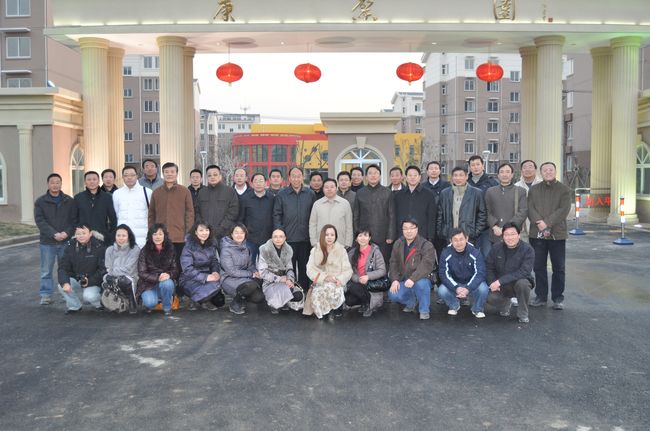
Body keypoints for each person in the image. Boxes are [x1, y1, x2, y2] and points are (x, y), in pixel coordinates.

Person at [527, 162, 572, 310]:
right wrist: (539, 222)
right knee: (538, 266)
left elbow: (563, 210)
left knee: (558, 267)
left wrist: (547, 222)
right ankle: (541, 296)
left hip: (557, 234)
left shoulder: (564, 190)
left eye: (550, 169)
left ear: (555, 171)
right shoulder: (534, 189)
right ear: (540, 173)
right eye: (545, 170)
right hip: (537, 233)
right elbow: (530, 208)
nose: (548, 172)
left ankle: (558, 298)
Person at [34, 173, 77, 305]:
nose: (55, 185)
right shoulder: (40, 201)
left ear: (61, 184)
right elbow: (40, 221)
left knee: (66, 269)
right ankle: (46, 295)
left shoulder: (69, 201)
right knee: (46, 270)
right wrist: (54, 234)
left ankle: (66, 293)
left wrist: (66, 233)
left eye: (58, 182)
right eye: (52, 182)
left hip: (65, 241)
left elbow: (74, 220)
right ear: (48, 184)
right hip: (47, 242)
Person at [273, 167, 316, 290]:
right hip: (288, 239)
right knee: (288, 269)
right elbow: (277, 215)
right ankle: (290, 293)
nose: (296, 179)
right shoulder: (282, 194)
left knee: (304, 268)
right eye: (293, 176)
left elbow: (314, 215)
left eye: (298, 176)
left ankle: (303, 292)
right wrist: (280, 235)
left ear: (302, 177)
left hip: (305, 239)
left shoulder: (310, 194)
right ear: (289, 178)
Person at [148, 162, 194, 270]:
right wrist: (152, 232)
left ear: (177, 174)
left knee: (179, 265)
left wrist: (188, 232)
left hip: (180, 237)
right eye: (166, 172)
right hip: (160, 237)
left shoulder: (185, 191)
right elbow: (151, 214)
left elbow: (189, 213)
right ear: (162, 174)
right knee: (162, 265)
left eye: (172, 172)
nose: (169, 174)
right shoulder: (156, 192)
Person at [485, 223, 535, 323]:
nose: (510, 237)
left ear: (519, 235)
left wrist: (499, 281)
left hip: (518, 282)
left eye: (513, 234)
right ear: (503, 236)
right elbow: (489, 267)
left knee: (523, 284)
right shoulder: (496, 248)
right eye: (506, 235)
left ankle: (523, 313)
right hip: (502, 285)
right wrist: (492, 282)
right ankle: (505, 302)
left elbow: (524, 271)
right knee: (488, 296)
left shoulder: (527, 249)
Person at [387, 219, 436, 320]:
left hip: (421, 278)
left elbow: (426, 265)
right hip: (404, 279)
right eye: (405, 228)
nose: (408, 231)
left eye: (411, 228)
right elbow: (393, 262)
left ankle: (424, 310)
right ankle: (411, 302)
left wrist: (412, 279)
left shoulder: (426, 245)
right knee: (393, 294)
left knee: (421, 284)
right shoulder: (398, 243)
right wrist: (395, 280)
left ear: (417, 229)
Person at [437, 228, 489, 318]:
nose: (459, 243)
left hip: (471, 284)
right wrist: (456, 287)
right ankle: (454, 305)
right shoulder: (445, 253)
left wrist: (468, 288)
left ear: (466, 239)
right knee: (442, 290)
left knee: (483, 288)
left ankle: (477, 309)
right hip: (455, 283)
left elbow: (480, 273)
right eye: (455, 240)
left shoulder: (475, 252)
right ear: (451, 241)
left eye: (461, 239)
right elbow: (443, 274)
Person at [304, 225, 353, 319]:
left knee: (331, 288)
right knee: (320, 291)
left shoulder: (341, 250)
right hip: (321, 282)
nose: (329, 237)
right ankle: (325, 310)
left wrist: (339, 280)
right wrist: (325, 278)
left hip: (337, 282)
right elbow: (309, 269)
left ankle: (336, 307)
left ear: (335, 236)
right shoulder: (315, 250)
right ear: (323, 236)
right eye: (327, 235)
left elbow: (348, 270)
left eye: (332, 235)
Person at [57, 224, 106, 314]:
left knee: (89, 296)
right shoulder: (70, 246)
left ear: (90, 234)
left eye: (84, 233)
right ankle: (74, 306)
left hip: (93, 281)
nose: (81, 236)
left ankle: (100, 304)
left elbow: (103, 269)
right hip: (77, 278)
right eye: (78, 234)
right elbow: (63, 267)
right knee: (61, 285)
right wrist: (65, 282)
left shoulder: (99, 246)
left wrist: (90, 281)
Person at [353, 164, 396, 264]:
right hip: (364, 235)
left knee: (382, 262)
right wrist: (356, 234)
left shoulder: (387, 192)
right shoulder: (360, 192)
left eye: (376, 173)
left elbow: (392, 214)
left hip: (383, 235)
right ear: (366, 177)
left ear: (380, 176)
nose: (373, 175)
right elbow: (356, 215)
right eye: (370, 173)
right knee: (365, 262)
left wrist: (390, 235)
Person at [436, 166, 487, 247]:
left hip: (469, 235)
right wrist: (442, 232)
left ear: (466, 177)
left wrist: (475, 232)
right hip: (449, 236)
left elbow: (482, 215)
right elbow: (440, 214)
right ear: (452, 177)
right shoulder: (445, 193)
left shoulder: (476, 193)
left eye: (461, 175)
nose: (458, 178)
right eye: (455, 175)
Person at [179, 222, 225, 311]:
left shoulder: (212, 244)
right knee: (209, 292)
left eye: (207, 230)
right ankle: (195, 299)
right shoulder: (188, 247)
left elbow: (214, 261)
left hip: (208, 277)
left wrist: (215, 272)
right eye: (201, 230)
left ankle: (202, 300)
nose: (204, 233)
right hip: (190, 279)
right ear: (195, 232)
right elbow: (187, 269)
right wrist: (206, 277)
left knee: (219, 301)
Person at [220, 223, 264, 315]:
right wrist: (251, 274)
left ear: (245, 234)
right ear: (231, 234)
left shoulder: (247, 248)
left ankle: (242, 297)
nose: (239, 235)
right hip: (228, 278)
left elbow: (250, 265)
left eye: (242, 232)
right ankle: (235, 303)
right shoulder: (226, 250)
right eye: (236, 232)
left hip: (244, 279)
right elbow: (231, 271)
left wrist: (255, 272)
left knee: (259, 297)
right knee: (251, 285)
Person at [257, 229, 304, 313]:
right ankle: (272, 303)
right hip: (270, 281)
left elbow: (289, 268)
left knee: (298, 295)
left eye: (281, 236)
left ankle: (283, 301)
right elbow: (262, 272)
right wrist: (279, 279)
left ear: (285, 238)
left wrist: (290, 279)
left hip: (285, 281)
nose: (278, 239)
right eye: (275, 237)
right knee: (286, 290)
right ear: (271, 238)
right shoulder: (264, 250)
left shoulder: (288, 250)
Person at [137, 223, 179, 316]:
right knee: (149, 302)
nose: (157, 237)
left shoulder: (171, 249)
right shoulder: (144, 250)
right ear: (150, 236)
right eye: (155, 234)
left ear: (165, 235)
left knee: (167, 283)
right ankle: (156, 300)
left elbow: (175, 269)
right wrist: (157, 277)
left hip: (165, 282)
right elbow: (141, 272)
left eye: (160, 234)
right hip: (148, 285)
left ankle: (167, 306)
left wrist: (169, 275)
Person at [484, 163, 528, 249]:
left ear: (512, 175)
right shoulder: (490, 191)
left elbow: (523, 211)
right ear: (498, 175)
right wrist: (494, 226)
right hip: (496, 233)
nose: (505, 174)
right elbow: (486, 211)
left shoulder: (520, 191)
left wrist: (508, 228)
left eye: (508, 172)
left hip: (513, 233)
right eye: (502, 172)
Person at [345, 229, 387, 318]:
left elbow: (382, 270)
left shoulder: (375, 251)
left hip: (371, 284)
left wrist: (368, 277)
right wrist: (358, 279)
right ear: (356, 239)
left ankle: (368, 305)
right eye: (360, 236)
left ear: (369, 238)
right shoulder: (352, 253)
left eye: (365, 235)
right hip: (359, 283)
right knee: (349, 300)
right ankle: (364, 302)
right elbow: (348, 271)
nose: (363, 238)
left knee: (354, 288)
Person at [393, 165, 437, 244]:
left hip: (422, 235)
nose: (412, 178)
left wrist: (430, 237)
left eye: (415, 175)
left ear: (419, 177)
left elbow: (432, 217)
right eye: (410, 175)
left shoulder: (428, 194)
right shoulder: (398, 195)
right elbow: (395, 216)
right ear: (406, 177)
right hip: (402, 235)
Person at [195, 165, 239, 242]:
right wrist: (202, 227)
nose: (212, 177)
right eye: (209, 175)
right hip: (205, 235)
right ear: (206, 178)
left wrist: (221, 228)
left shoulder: (229, 191)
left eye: (215, 175)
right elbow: (197, 211)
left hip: (225, 235)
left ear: (220, 176)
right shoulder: (202, 192)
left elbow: (233, 212)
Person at [104, 224, 140, 313]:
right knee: (106, 278)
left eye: (124, 236)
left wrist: (113, 272)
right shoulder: (109, 250)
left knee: (124, 280)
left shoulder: (135, 249)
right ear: (115, 236)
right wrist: (113, 274)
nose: (121, 238)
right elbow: (108, 267)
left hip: (130, 278)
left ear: (129, 237)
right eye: (118, 235)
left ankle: (132, 301)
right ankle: (113, 302)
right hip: (113, 278)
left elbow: (129, 270)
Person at [112, 166, 153, 248]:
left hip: (143, 237)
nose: (129, 178)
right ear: (122, 177)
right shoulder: (117, 193)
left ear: (137, 176)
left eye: (132, 175)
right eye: (126, 175)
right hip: (123, 238)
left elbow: (151, 213)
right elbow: (116, 213)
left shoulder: (147, 192)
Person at [238, 172, 275, 260]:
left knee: (267, 265)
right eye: (256, 181)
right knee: (250, 264)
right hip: (250, 239)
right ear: (252, 184)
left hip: (267, 239)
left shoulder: (272, 198)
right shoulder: (245, 198)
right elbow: (241, 218)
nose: (258, 183)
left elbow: (275, 216)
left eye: (261, 181)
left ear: (266, 183)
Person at [74, 171, 117, 244]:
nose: (92, 182)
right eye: (89, 179)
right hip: (83, 237)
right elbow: (74, 218)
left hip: (102, 237)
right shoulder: (78, 198)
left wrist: (109, 235)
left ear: (99, 181)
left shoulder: (107, 197)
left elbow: (113, 219)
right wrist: (79, 233)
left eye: (94, 179)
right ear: (85, 182)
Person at [468, 155, 499, 256]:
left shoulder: (492, 182)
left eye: (478, 164)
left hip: (487, 227)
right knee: (470, 255)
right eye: (473, 165)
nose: (475, 167)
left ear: (483, 166)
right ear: (470, 167)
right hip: (469, 226)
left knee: (487, 255)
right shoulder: (465, 182)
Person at [309, 178, 354, 248]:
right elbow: (312, 224)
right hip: (321, 243)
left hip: (340, 243)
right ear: (323, 189)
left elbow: (349, 225)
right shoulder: (317, 204)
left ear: (336, 188)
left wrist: (348, 242)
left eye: (332, 187)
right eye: (326, 187)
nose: (329, 189)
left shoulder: (345, 203)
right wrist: (314, 242)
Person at [422, 161, 451, 256]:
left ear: (440, 171)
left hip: (442, 224)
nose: (433, 171)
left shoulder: (447, 186)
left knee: (442, 252)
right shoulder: (422, 187)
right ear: (427, 171)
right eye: (431, 169)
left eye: (436, 168)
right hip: (426, 224)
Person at [514, 160, 543, 241]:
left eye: (530, 167)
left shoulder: (543, 185)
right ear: (521, 171)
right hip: (522, 227)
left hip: (540, 226)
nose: (527, 169)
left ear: (535, 170)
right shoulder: (516, 186)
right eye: (525, 167)